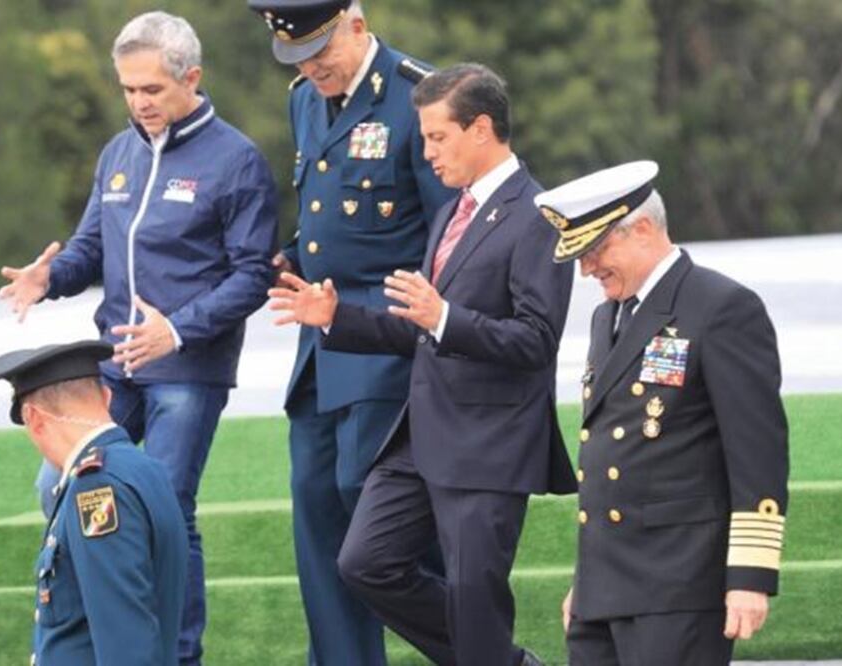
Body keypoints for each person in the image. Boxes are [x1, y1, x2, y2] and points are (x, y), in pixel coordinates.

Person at [269, 63, 575, 666]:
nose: (427, 152)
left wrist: (443, 318)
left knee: (474, 599)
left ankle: (491, 656)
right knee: (364, 563)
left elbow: (536, 341)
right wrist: (334, 316)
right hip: (421, 432)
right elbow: (421, 330)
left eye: (438, 137)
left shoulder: (537, 216)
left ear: (481, 129)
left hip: (488, 443)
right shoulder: (452, 213)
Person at [0, 12, 277, 664]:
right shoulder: (117, 154)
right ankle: (97, 634)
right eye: (128, 89)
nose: (139, 103)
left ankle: (176, 654)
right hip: (113, 368)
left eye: (151, 89)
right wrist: (49, 278)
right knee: (53, 488)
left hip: (187, 367)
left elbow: (252, 278)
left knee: (167, 507)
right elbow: (91, 248)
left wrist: (175, 330)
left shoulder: (236, 161)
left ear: (192, 78)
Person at [245, 0, 454, 661]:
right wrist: (289, 254)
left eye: (319, 53)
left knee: (382, 514)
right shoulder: (306, 99)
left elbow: (452, 228)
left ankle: (472, 645)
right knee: (317, 510)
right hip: (319, 346)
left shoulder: (420, 95)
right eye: (297, 59)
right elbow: (321, 210)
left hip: (388, 339)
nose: (311, 69)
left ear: (356, 23)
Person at [536, 161, 790, 665]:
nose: (587, 269)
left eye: (596, 250)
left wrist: (749, 577)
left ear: (645, 229)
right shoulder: (606, 315)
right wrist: (586, 584)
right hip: (604, 589)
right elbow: (613, 452)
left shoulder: (721, 308)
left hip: (678, 586)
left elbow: (757, 452)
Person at [0, 340, 188, 665]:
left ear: (33, 417)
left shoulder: (96, 487)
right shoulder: (142, 468)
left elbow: (126, 640)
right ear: (107, 398)